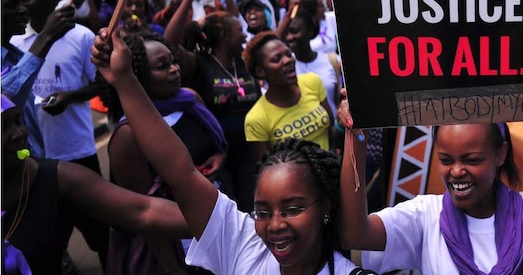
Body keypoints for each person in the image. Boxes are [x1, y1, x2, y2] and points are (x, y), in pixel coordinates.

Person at [89, 29, 367, 274]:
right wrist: (125, 80)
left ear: (326, 208)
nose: (275, 225)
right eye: (261, 212)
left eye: (292, 209)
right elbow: (181, 173)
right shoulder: (243, 244)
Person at [336, 74, 523, 274]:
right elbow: (355, 235)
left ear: (501, 155)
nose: (457, 171)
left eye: (471, 160)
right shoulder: (425, 217)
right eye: (446, 160)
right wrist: (355, 137)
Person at [1, 94, 190, 275]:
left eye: (18, 122)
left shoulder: (59, 179)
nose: (18, 134)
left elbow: (143, 210)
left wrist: (212, 218)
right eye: (3, 128)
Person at [97, 32, 228, 273]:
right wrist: (171, 267)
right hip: (180, 239)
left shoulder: (190, 99)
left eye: (173, 61)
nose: (174, 69)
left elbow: (217, 145)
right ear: (139, 76)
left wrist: (219, 159)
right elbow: (143, 212)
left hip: (216, 214)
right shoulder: (129, 136)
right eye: (162, 66)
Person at [10, 0, 109, 267]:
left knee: (101, 233)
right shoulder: (14, 40)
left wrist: (70, 97)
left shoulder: (81, 36)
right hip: (34, 157)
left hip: (77, 151)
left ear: (56, 0)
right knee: (45, 239)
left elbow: (101, 85)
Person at [164, 0, 260, 212]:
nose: (245, 35)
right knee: (227, 216)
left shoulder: (245, 61)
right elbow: (169, 42)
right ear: (226, 36)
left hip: (250, 153)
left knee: (252, 213)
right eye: (240, 31)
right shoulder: (200, 64)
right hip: (217, 157)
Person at [1, 0, 75, 158]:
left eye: (21, 3)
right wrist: (46, 37)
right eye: (11, 5)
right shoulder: (31, 52)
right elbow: (3, 100)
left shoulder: (16, 57)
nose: (23, 10)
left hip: (30, 164)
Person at [242, 32, 334, 162]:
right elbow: (266, 168)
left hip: (330, 171)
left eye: (288, 54)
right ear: (260, 71)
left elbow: (329, 123)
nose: (288, 60)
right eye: (276, 59)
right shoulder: (256, 119)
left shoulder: (312, 81)